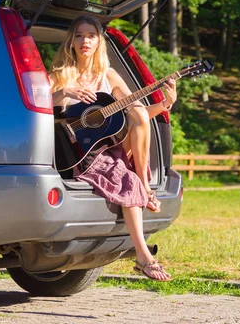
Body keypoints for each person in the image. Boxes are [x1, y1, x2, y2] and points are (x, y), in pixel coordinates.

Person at [48, 15, 176, 281]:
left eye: (91, 36)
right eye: (80, 35)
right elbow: (35, 105)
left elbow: (138, 115)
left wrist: (164, 104)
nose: (85, 41)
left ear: (99, 42)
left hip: (111, 150)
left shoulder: (108, 76)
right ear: (71, 40)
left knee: (138, 112)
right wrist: (65, 94)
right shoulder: (58, 75)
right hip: (76, 153)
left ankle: (145, 192)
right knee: (127, 183)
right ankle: (144, 255)